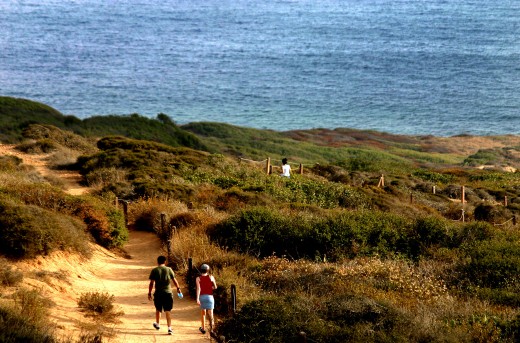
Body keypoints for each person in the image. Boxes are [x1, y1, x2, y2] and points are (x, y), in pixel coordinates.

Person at [148, 255, 181, 335]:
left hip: (158, 293)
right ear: (165, 261)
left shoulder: (154, 270)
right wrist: (178, 288)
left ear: (158, 262)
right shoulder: (169, 269)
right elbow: (174, 280)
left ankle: (158, 324)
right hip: (168, 293)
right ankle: (169, 328)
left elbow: (151, 283)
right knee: (168, 311)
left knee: (158, 309)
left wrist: (149, 293)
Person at [196, 263, 217, 334]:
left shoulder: (198, 278)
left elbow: (198, 289)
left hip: (202, 297)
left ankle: (203, 328)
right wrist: (211, 287)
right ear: (208, 270)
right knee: (211, 314)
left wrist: (197, 298)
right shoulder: (211, 277)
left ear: (201, 270)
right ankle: (212, 329)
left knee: (203, 313)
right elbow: (215, 287)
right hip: (210, 297)